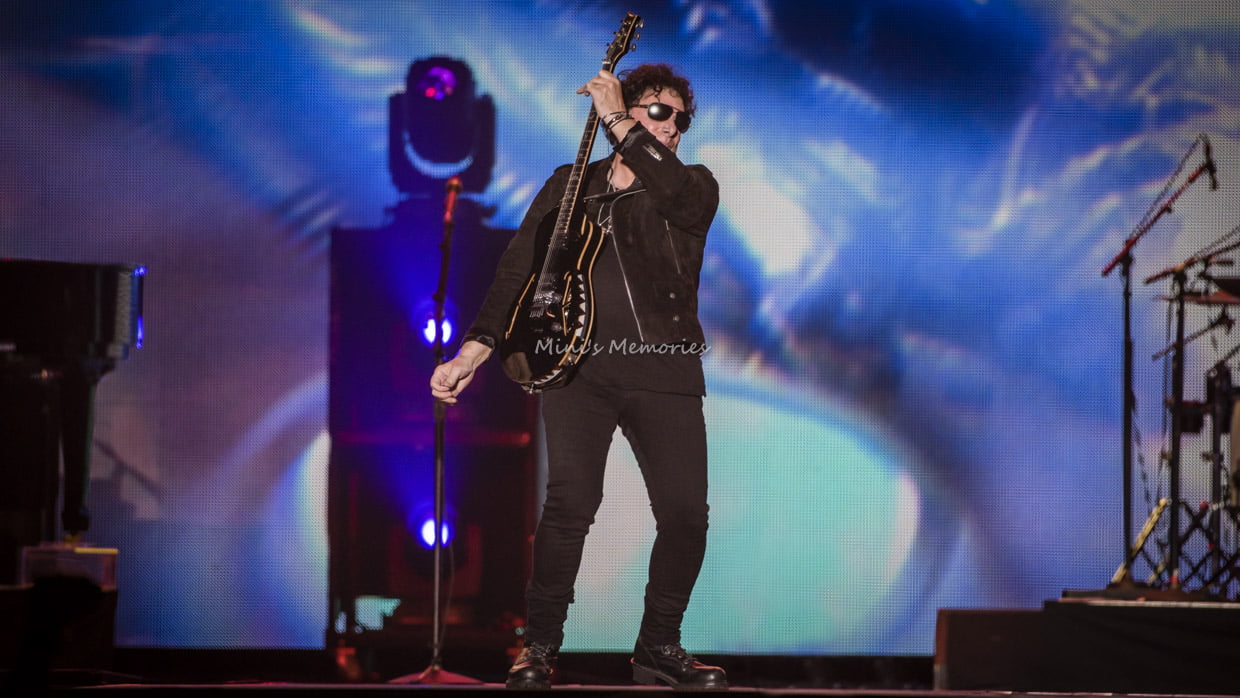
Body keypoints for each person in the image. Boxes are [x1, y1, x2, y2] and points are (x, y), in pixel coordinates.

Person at [430, 63, 726, 691]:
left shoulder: (691, 186)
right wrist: (474, 349)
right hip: (577, 370)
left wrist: (620, 119)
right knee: (569, 505)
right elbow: (519, 270)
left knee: (684, 515)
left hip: (663, 367)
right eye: (659, 110)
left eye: (680, 118)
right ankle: (537, 647)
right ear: (627, 109)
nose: (672, 126)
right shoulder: (570, 186)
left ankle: (659, 645)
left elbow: (674, 194)